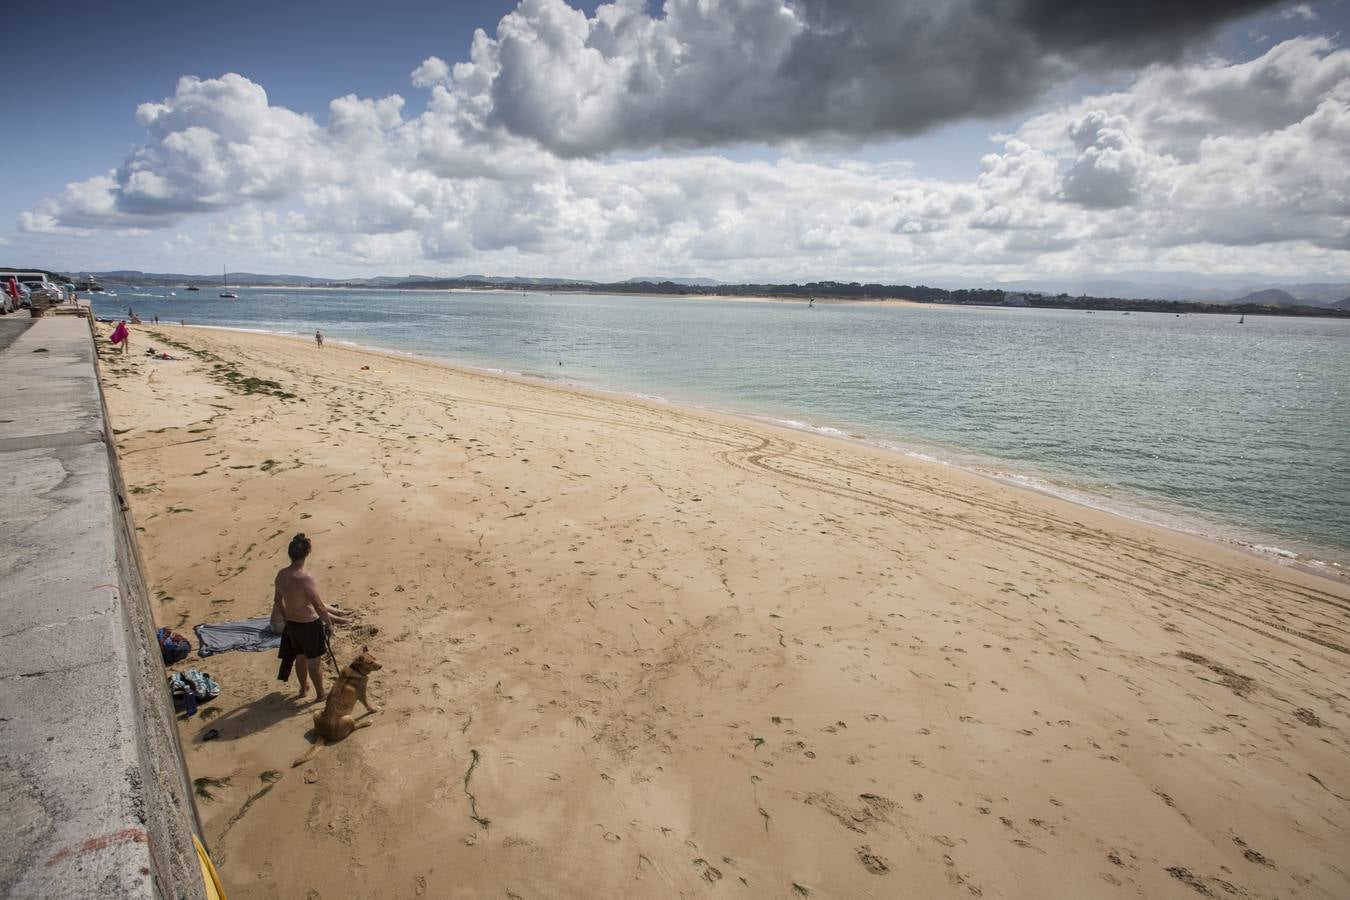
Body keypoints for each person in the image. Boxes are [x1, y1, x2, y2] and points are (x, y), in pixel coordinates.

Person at [272, 533, 352, 700]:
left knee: (300, 657)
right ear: (307, 552)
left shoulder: (281, 575)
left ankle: (303, 688)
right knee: (314, 661)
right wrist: (329, 624)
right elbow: (319, 606)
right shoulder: (305, 578)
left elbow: (278, 600)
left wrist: (287, 617)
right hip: (309, 624)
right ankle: (321, 693)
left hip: (292, 625)